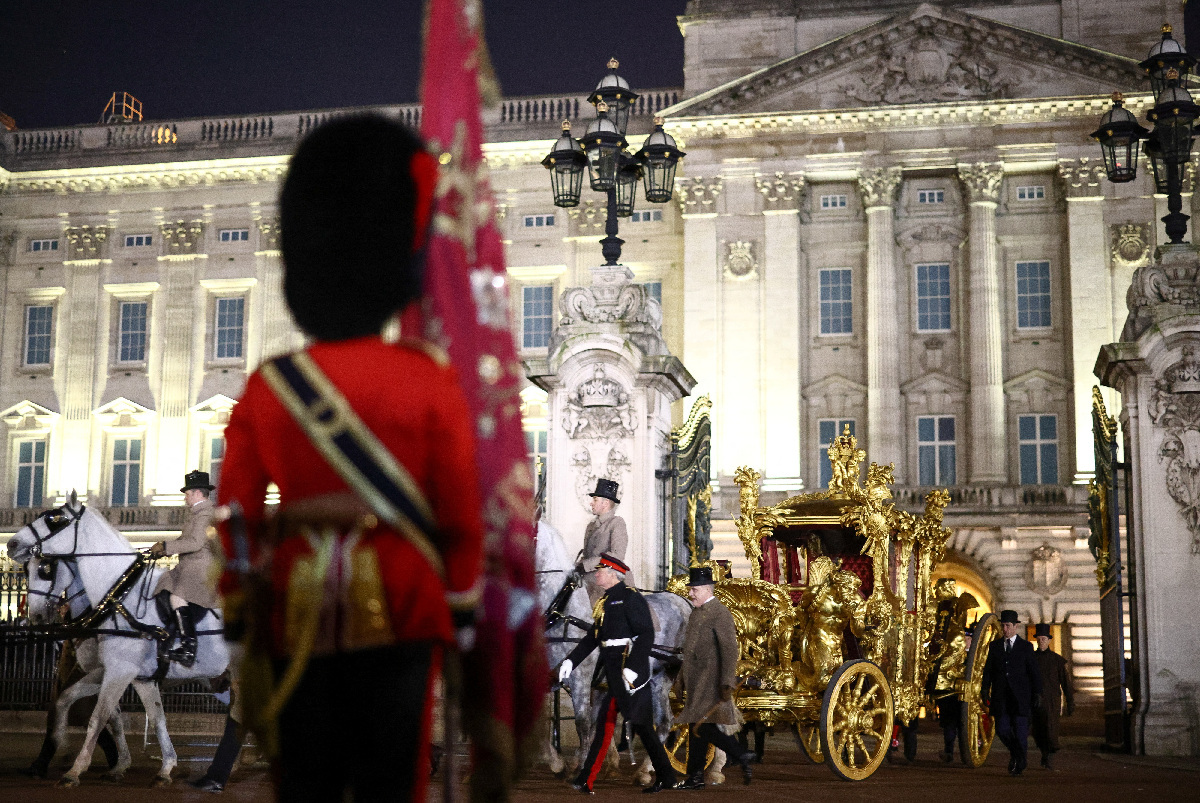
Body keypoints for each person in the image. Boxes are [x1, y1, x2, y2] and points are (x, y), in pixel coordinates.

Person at [217, 114, 484, 802]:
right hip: (401, 600)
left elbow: (235, 518)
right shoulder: (429, 376)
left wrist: (242, 608)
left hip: (296, 603)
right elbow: (459, 514)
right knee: (392, 779)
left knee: (305, 779)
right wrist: (459, 608)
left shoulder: (270, 386)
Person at [558, 554, 677, 794]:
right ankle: (586, 779)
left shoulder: (631, 598)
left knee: (641, 728)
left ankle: (666, 776)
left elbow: (645, 635)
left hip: (630, 674)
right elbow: (594, 637)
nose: (597, 574)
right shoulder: (606, 600)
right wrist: (570, 660)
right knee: (605, 726)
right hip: (614, 672)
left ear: (613, 574)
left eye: (601, 571)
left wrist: (633, 669)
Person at [672, 566, 753, 790]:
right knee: (697, 728)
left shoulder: (720, 613)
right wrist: (680, 680)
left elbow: (729, 650)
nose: (690, 594)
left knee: (701, 727)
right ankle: (696, 776)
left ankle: (740, 753)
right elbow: (688, 652)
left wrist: (727, 681)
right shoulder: (697, 613)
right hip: (696, 681)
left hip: (710, 681)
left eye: (695, 590)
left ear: (707, 589)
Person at [149, 470, 219, 667]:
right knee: (161, 584)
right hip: (187, 566)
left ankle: (189, 647)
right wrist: (163, 548)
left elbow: (196, 543)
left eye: (187, 494)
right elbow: (185, 540)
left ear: (198, 493)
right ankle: (168, 634)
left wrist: (167, 547)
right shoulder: (196, 514)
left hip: (199, 568)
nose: (185, 498)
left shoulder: (205, 514)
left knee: (176, 596)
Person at [981, 609, 1043, 776]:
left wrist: (1038, 692)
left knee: (1021, 733)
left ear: (1015, 626)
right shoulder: (994, 647)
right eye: (1003, 626)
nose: (1005, 629)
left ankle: (1019, 763)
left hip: (1021, 698)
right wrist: (985, 688)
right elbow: (988, 670)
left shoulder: (1026, 647)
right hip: (1001, 698)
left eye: (1008, 625)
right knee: (1001, 729)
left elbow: (1034, 672)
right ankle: (1018, 755)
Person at [577, 479, 628, 606]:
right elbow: (587, 555)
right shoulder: (591, 526)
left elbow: (617, 555)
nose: (591, 503)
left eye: (595, 500)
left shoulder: (617, 523)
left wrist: (586, 565)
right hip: (589, 579)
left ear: (605, 503)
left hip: (608, 581)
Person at [1031, 623, 1075, 770]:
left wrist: (1070, 701)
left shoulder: (1057, 660)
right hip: (1036, 700)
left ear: (1049, 640)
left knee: (1051, 728)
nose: (1042, 641)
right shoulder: (1031, 659)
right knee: (1039, 730)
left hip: (1052, 700)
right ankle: (1044, 753)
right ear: (1037, 640)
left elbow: (1066, 682)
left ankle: (1049, 756)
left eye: (1044, 638)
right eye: (1039, 638)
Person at [936, 624, 973, 762]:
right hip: (950, 694)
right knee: (949, 726)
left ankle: (966, 754)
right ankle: (949, 751)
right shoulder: (952, 654)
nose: (964, 640)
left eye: (966, 638)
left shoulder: (972, 657)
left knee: (964, 726)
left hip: (966, 696)